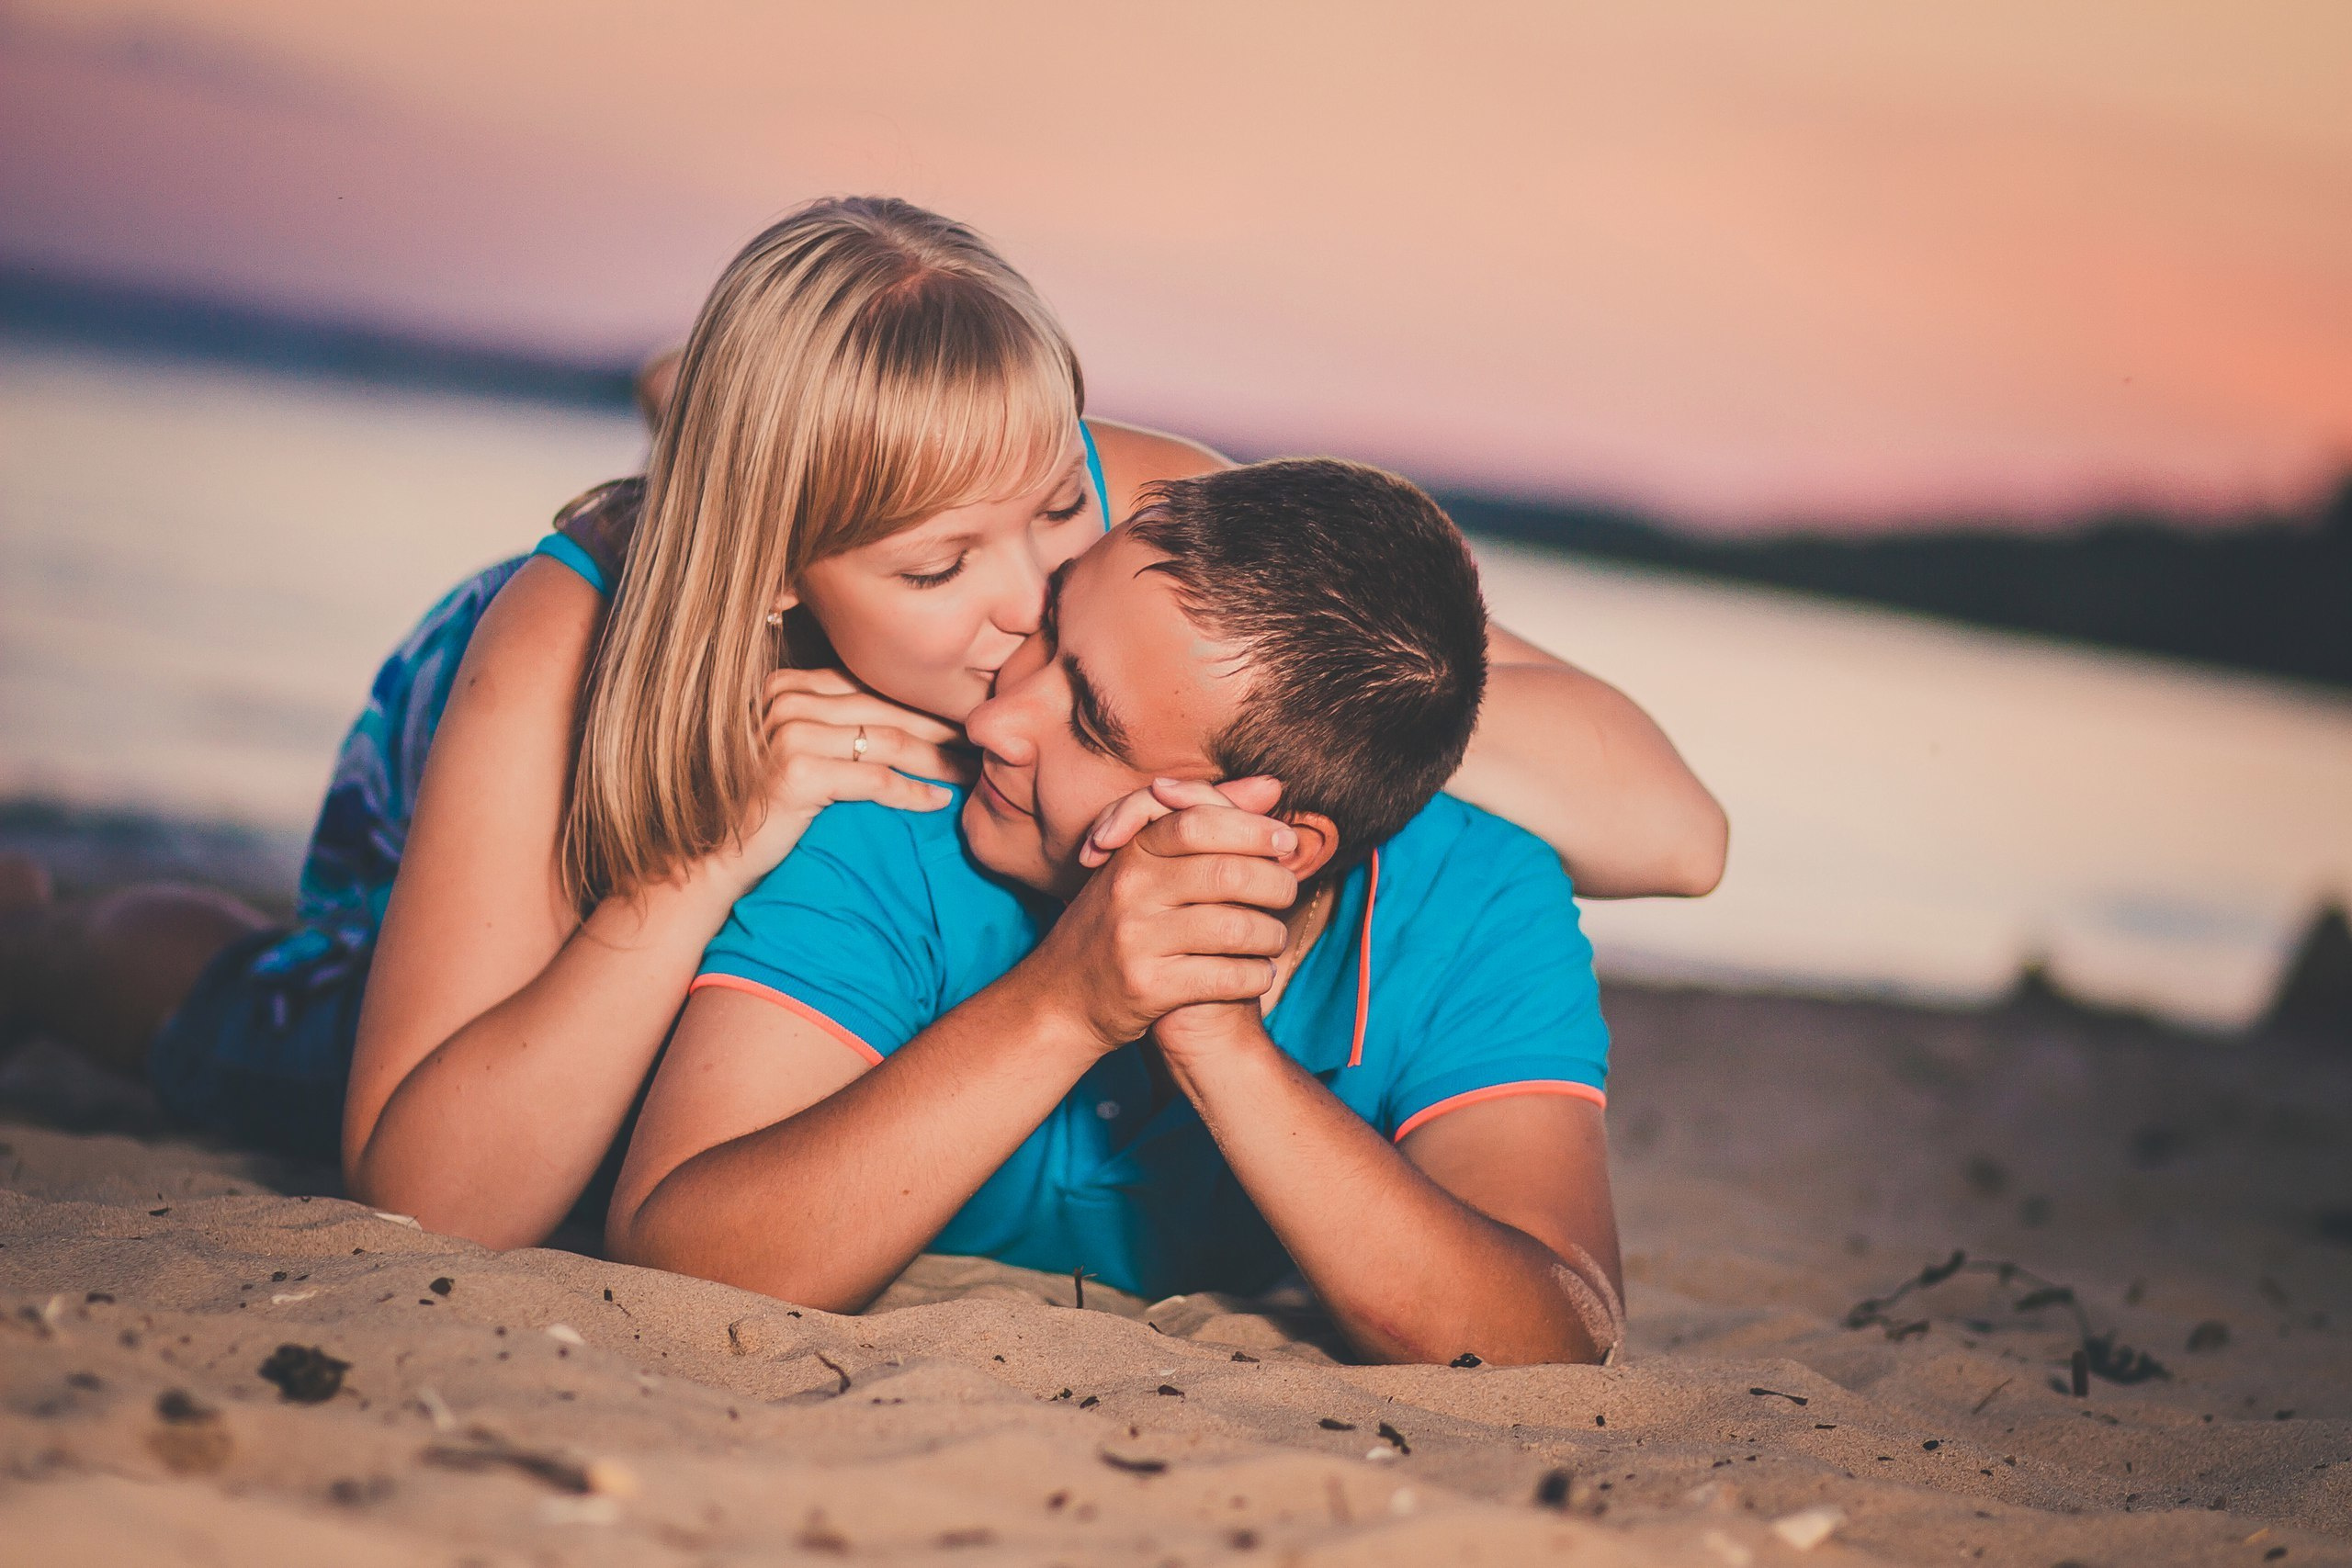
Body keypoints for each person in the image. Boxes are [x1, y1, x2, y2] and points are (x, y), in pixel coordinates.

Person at [0, 197, 1723, 1255]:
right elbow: (430, 1196)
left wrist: (1306, 708)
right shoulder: (572, 637)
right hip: (521, 763)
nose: (1029, 596)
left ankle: (715, 401)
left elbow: (1675, 836)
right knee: (283, 1033)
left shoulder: (1133, 520)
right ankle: (51, 938)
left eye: (1048, 508)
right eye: (937, 559)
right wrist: (690, 869)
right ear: (776, 572)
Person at [609, 461, 1623, 1367]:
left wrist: (1213, 1030)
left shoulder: (1475, 898)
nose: (993, 720)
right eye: (1049, 627)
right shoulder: (896, 799)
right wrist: (1065, 1004)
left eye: (1090, 724)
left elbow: (1553, 1341)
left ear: (1274, 837)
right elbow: (680, 1261)